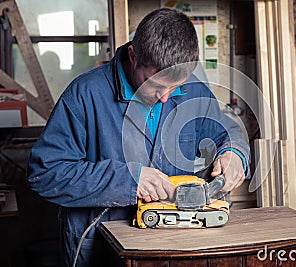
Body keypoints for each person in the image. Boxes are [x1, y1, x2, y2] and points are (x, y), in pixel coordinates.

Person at [27, 8, 250, 267]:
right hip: (100, 248)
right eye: (154, 84)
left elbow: (227, 133)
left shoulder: (194, 91)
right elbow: (45, 173)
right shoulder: (84, 95)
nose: (165, 96)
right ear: (133, 55)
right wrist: (128, 181)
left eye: (175, 86)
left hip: (177, 244)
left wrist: (234, 152)